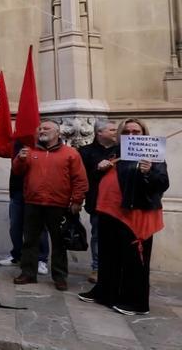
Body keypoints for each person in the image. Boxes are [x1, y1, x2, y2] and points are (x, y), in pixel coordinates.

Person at [78, 118, 169, 316]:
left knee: (134, 261)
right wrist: (98, 169)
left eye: (136, 131)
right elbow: (94, 179)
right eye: (126, 132)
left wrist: (148, 172)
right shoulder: (115, 152)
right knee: (108, 257)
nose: (131, 135)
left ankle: (136, 303)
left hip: (134, 214)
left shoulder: (153, 155)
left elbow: (162, 183)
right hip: (109, 212)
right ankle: (105, 292)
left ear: (144, 133)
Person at [12, 119, 88, 291]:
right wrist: (20, 159)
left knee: (59, 242)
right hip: (33, 203)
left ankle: (60, 276)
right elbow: (17, 171)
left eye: (47, 128)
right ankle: (28, 273)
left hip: (59, 205)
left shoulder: (71, 153)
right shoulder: (29, 151)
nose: (42, 131)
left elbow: (80, 180)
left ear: (57, 133)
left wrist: (77, 200)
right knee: (30, 241)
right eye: (40, 128)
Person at [0, 139, 51, 275]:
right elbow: (2, 151)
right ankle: (17, 255)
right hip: (17, 192)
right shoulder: (17, 144)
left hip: (37, 193)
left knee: (40, 228)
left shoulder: (46, 146)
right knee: (15, 226)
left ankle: (41, 259)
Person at [78, 119, 119, 284]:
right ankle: (97, 267)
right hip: (98, 201)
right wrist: (98, 169)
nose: (116, 132)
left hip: (120, 200)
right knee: (98, 236)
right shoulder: (86, 151)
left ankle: (117, 267)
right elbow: (82, 177)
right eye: (112, 130)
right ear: (99, 133)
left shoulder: (123, 149)